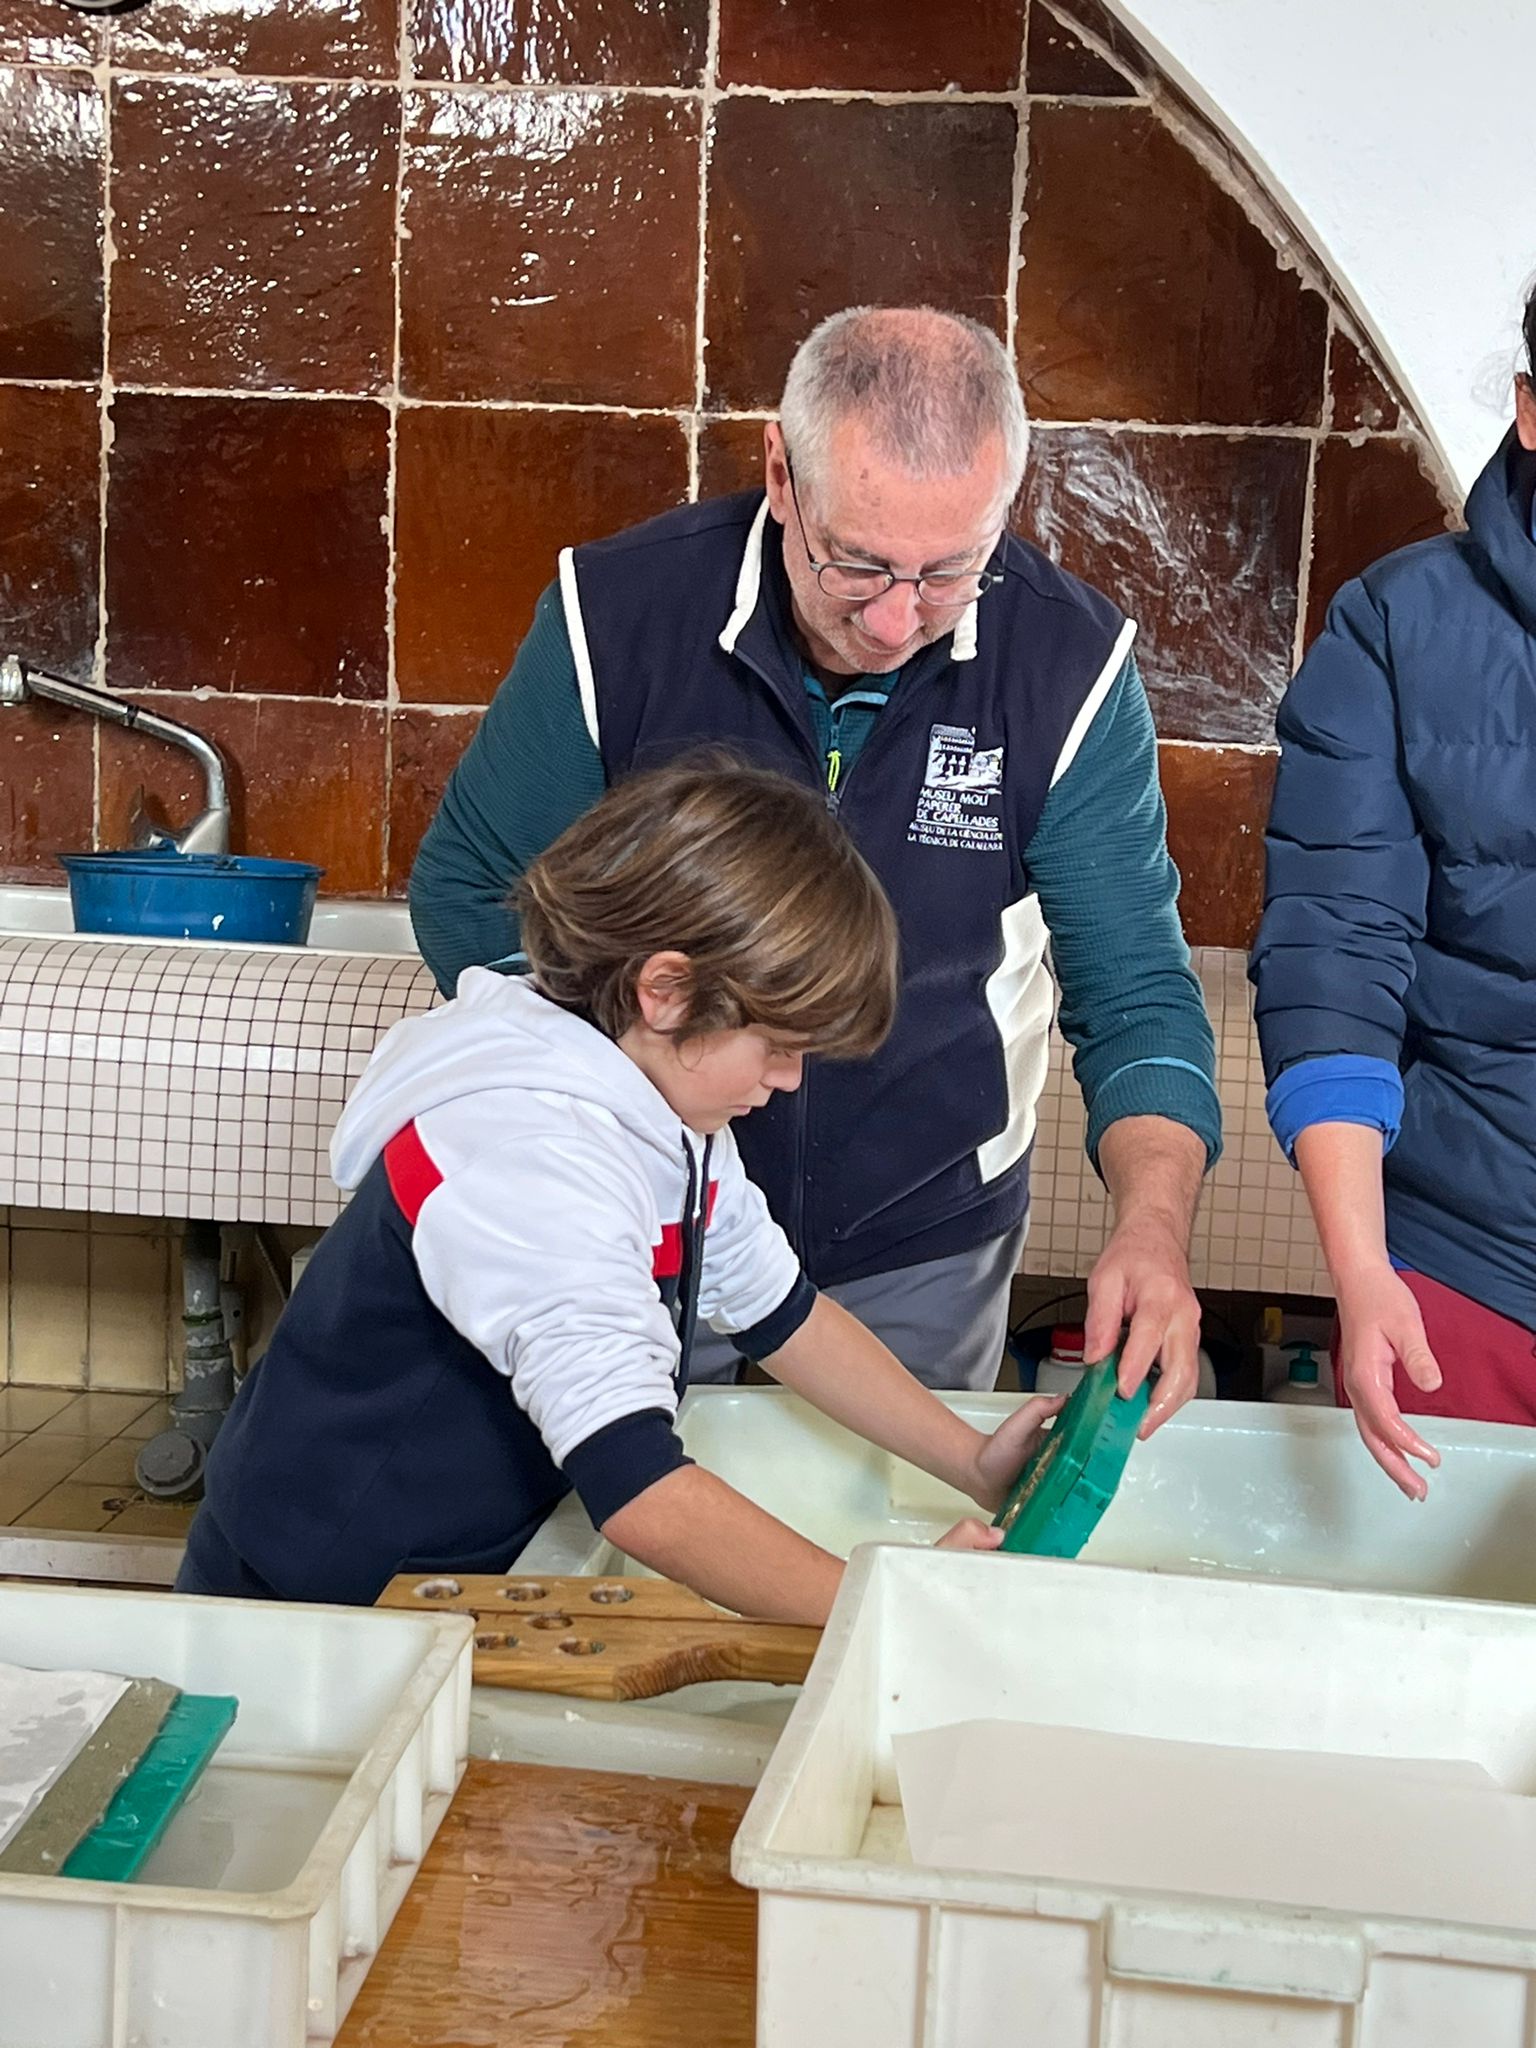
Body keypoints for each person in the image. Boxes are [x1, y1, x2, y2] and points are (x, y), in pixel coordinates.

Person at [411, 305, 1221, 1418]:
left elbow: (1136, 997)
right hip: (639, 1205)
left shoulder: (1070, 667)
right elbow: (469, 891)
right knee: (631, 1501)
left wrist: (1154, 1228)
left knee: (891, 1508)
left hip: (925, 1235)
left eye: (951, 571)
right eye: (859, 565)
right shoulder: (616, 615)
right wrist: (630, 1103)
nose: (896, 622)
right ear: (781, 477)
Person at [175, 765, 1061, 1620]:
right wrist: (890, 1604)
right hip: (314, 1597)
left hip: (452, 1564)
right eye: (778, 1045)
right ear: (666, 991)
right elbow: (640, 1492)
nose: (791, 1080)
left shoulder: (661, 1107)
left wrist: (973, 1459)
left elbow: (782, 1313)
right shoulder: (531, 1155)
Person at [1250, 282, 1536, 1500]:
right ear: (1531, 410)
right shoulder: (1396, 625)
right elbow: (1336, 950)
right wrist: (1363, 1266)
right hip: (1463, 1274)